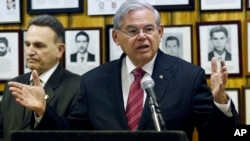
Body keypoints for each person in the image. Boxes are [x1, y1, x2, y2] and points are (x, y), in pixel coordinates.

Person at [8, 1, 239, 141]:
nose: (142, 36)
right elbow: (70, 134)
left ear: (160, 32)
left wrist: (220, 101)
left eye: (149, 29)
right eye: (132, 30)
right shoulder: (94, 81)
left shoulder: (188, 77)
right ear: (116, 37)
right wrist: (43, 110)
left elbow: (218, 137)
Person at [0, 15, 81, 141]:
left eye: (39, 45)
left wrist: (43, 112)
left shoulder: (78, 87)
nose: (30, 51)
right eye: (27, 44)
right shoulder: (13, 84)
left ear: (59, 50)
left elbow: (75, 136)